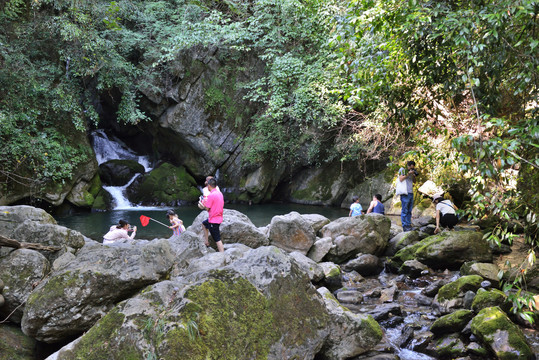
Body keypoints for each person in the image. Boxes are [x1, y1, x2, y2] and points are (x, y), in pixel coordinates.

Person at [201, 178, 225, 252]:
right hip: (218, 217)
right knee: (204, 224)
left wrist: (202, 205)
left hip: (214, 220)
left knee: (217, 239)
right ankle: (206, 242)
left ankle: (223, 255)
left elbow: (207, 208)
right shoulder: (220, 193)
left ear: (209, 186)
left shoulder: (211, 195)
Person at [398, 160, 418, 231]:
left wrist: (413, 175)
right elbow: (401, 179)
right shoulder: (402, 170)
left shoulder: (411, 172)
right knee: (405, 210)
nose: (411, 169)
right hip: (405, 193)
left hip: (410, 192)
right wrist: (408, 173)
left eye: (412, 168)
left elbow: (414, 182)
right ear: (408, 166)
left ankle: (409, 224)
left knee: (409, 210)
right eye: (410, 168)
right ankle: (404, 225)